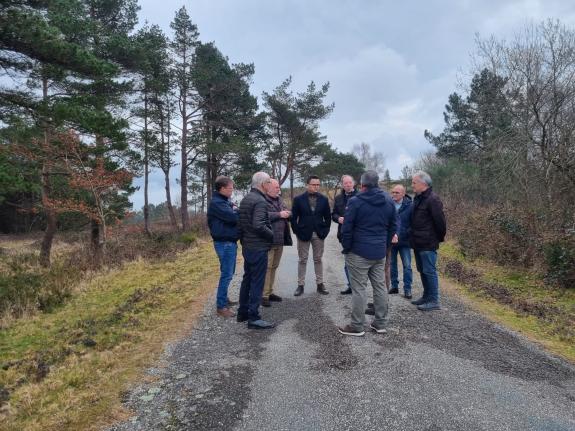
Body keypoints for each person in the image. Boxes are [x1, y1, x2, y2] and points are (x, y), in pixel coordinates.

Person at [338, 170, 397, 336]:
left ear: (362, 185)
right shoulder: (388, 200)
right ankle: (380, 323)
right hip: (379, 252)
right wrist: (384, 245)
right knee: (380, 287)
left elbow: (347, 228)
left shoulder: (356, 201)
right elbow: (393, 226)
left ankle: (357, 326)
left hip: (358, 252)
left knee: (359, 289)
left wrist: (347, 248)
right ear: (377, 183)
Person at [237, 172, 275, 329]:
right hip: (258, 247)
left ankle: (243, 312)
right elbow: (258, 224)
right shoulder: (260, 201)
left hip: (248, 246)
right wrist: (272, 235)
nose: (270, 185)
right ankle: (254, 317)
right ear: (263, 184)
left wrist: (243, 241)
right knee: (257, 282)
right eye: (269, 182)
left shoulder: (246, 199)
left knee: (247, 279)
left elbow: (241, 224)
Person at [409, 171, 446, 311]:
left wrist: (437, 238)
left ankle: (434, 300)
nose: (412, 185)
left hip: (428, 242)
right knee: (422, 270)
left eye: (414, 182)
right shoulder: (418, 198)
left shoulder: (433, 199)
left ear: (423, 183)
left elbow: (440, 223)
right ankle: (426, 296)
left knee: (429, 271)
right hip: (417, 242)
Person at [291, 175, 331, 296]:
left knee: (318, 259)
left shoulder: (324, 199)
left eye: (318, 184)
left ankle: (320, 284)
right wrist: (297, 231)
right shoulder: (298, 199)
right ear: (307, 185)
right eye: (314, 184)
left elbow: (328, 217)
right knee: (302, 259)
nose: (316, 187)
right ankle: (300, 285)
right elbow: (293, 218)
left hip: (319, 234)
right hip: (303, 233)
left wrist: (325, 232)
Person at [207, 176, 239, 318]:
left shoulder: (224, 201)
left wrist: (235, 209)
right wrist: (236, 211)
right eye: (230, 188)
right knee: (226, 274)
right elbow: (233, 218)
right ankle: (221, 307)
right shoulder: (217, 203)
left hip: (229, 242)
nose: (232, 191)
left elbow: (234, 212)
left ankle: (224, 299)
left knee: (229, 272)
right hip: (224, 242)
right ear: (222, 188)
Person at [262, 179, 293, 307]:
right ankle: (263, 296)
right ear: (268, 188)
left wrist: (288, 213)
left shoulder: (279, 199)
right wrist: (280, 214)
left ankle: (269, 292)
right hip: (269, 240)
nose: (278, 189)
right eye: (275, 187)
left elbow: (286, 210)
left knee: (274, 267)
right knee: (267, 268)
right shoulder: (262, 200)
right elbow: (263, 216)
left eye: (278, 187)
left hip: (280, 239)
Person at [331, 174, 358, 295]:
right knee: (347, 261)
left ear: (353, 183)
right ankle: (351, 285)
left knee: (358, 262)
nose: (347, 185)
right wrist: (338, 219)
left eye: (349, 183)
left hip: (358, 234)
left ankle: (358, 286)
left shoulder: (360, 196)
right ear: (342, 184)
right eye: (345, 183)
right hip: (343, 234)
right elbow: (334, 214)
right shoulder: (338, 198)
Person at [389, 184, 413, 299]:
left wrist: (403, 234)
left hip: (405, 241)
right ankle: (394, 286)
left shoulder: (410, 206)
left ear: (403, 194)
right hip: (391, 241)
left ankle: (407, 289)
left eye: (397, 192)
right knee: (392, 264)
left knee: (407, 265)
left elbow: (413, 223)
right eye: (393, 192)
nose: (394, 194)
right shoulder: (388, 204)